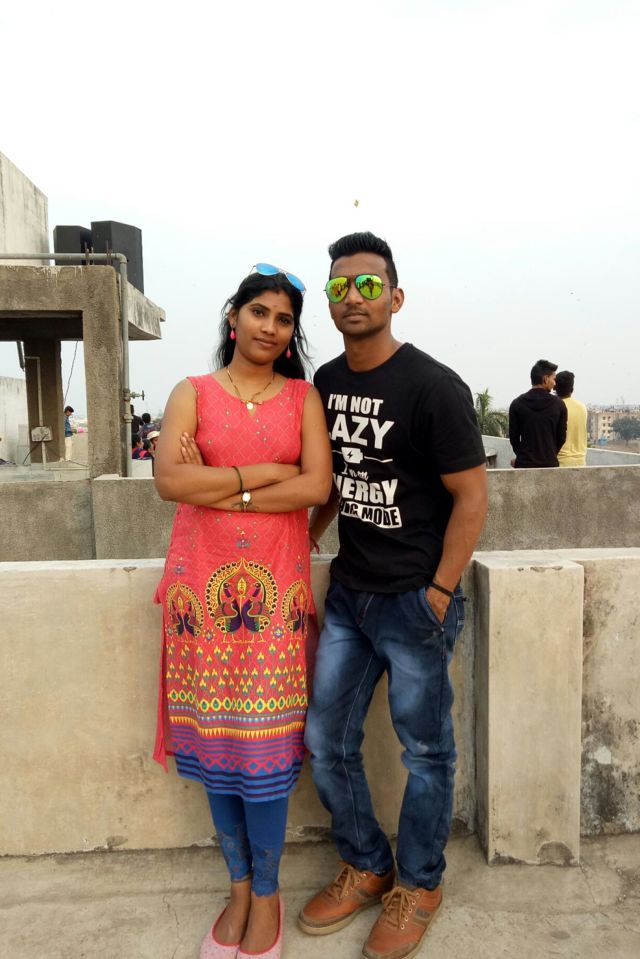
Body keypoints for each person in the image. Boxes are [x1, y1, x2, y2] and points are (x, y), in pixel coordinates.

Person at [298, 232, 488, 959]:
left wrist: (439, 591)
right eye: (340, 287)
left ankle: (420, 883)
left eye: (369, 285)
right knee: (325, 739)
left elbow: (472, 497)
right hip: (351, 594)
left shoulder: (432, 386)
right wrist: (303, 541)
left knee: (426, 753)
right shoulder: (326, 381)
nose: (353, 297)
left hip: (415, 601)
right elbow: (334, 481)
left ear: (396, 297)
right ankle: (368, 864)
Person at [153, 264, 332, 959]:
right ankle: (236, 886)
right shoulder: (191, 393)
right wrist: (264, 475)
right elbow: (170, 480)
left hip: (273, 602)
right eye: (260, 312)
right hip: (201, 598)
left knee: (263, 752)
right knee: (217, 746)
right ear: (234, 317)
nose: (270, 327)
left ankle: (268, 893)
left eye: (284, 319)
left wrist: (220, 487)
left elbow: (316, 487)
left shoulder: (303, 398)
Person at [508, 359, 567, 468]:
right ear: (545, 379)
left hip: (524, 465)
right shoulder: (559, 405)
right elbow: (561, 437)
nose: (554, 383)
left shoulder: (516, 404)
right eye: (553, 379)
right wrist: (549, 454)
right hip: (550, 465)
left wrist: (522, 457)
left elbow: (513, 438)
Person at [555, 371, 588, 467]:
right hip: (580, 462)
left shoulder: (554, 407)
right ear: (572, 389)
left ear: (555, 388)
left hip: (560, 462)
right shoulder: (582, 407)